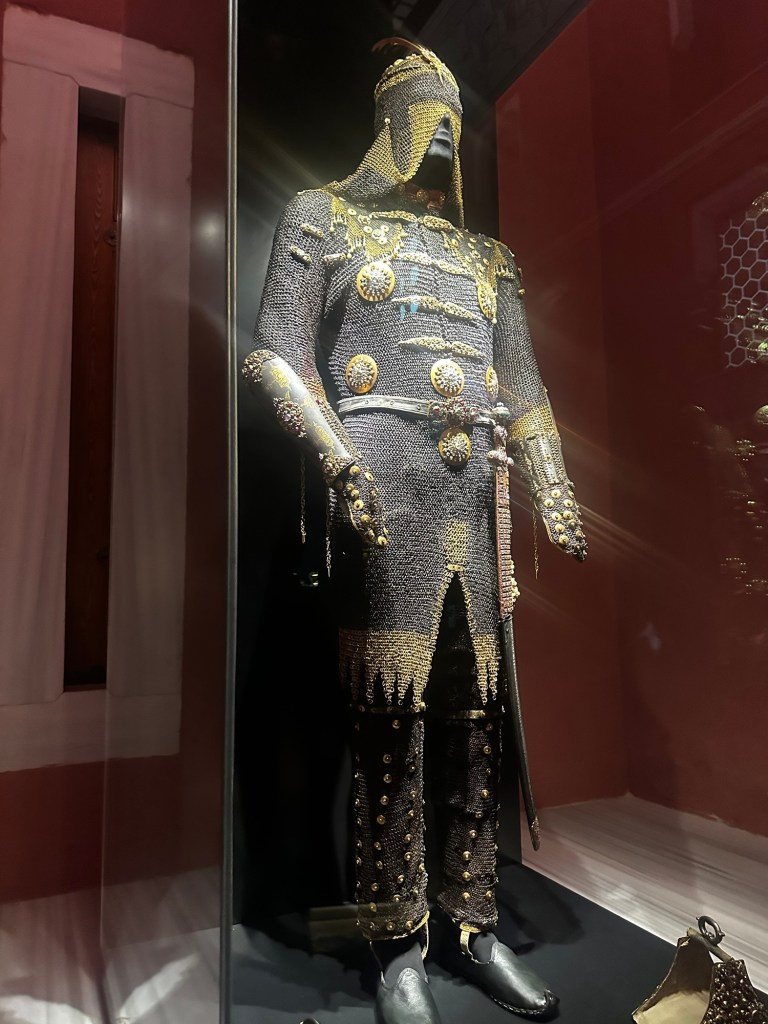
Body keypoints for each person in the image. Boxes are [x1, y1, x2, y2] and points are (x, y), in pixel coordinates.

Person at [243, 39, 587, 1023]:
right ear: (388, 122)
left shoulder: (487, 260)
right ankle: (397, 942)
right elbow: (274, 354)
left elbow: (523, 387)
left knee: (474, 726)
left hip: (471, 508)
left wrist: (555, 489)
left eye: (450, 119)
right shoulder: (324, 217)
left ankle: (471, 923)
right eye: (422, 114)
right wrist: (339, 459)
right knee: (389, 727)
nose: (439, 134)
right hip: (381, 500)